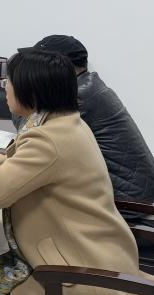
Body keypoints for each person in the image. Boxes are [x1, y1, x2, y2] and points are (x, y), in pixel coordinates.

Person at [0, 50, 154, 295]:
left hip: (80, 270)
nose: (5, 88)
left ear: (31, 91)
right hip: (100, 250)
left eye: (8, 82)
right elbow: (34, 166)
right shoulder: (67, 124)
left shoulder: (47, 139)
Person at [17, 35, 154, 228]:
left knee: (27, 191)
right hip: (136, 193)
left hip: (126, 204)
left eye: (37, 65)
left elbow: (27, 129)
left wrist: (20, 95)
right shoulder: (89, 86)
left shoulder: (79, 96)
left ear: (57, 67)